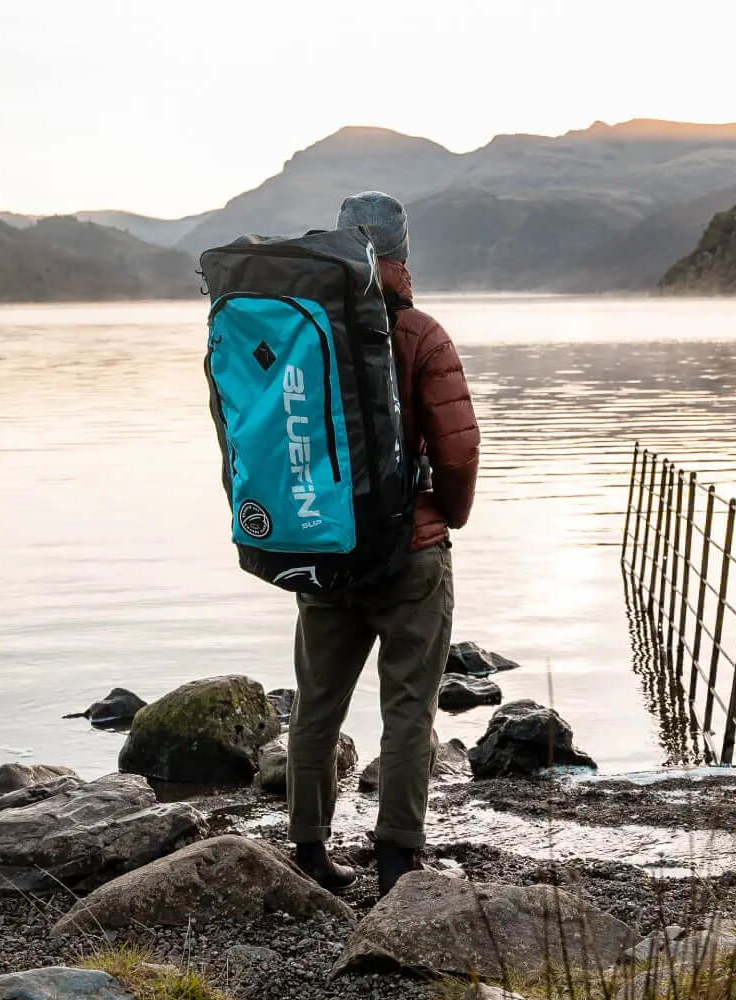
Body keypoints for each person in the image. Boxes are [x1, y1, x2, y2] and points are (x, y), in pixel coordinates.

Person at [287, 191, 480, 897]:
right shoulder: (421, 334)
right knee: (407, 711)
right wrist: (446, 518)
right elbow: (457, 450)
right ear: (402, 257)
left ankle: (309, 850)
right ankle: (398, 857)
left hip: (325, 548)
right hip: (411, 555)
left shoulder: (305, 329)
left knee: (316, 706)